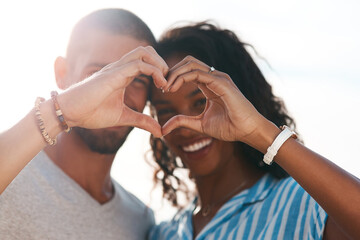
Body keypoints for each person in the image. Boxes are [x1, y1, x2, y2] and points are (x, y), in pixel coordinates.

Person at [148, 22, 360, 239]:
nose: (184, 125)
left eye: (201, 103)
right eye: (166, 111)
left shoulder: (302, 204)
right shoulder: (162, 234)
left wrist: (260, 132)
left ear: (237, 98)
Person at [0, 9, 168, 239]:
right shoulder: (10, 173)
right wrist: (61, 112)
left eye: (136, 78)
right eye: (99, 74)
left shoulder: (140, 220)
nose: (116, 92)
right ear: (62, 73)